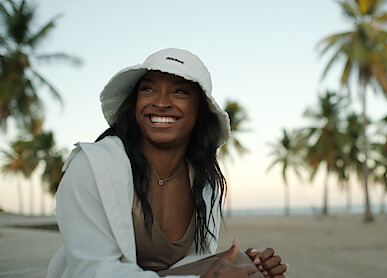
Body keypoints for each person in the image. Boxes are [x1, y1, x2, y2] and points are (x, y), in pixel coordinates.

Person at [46, 48, 287, 278]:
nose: (161, 102)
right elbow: (93, 271)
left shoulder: (204, 183)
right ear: (134, 103)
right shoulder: (92, 167)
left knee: (246, 267)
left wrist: (248, 266)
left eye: (179, 92)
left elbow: (190, 264)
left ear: (199, 110)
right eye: (148, 89)